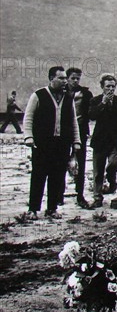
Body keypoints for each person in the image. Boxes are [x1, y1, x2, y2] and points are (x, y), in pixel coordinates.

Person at [23, 66, 81, 219]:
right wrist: (28, 137)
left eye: (64, 78)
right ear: (51, 78)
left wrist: (76, 141)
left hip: (61, 145)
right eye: (60, 78)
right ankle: (33, 209)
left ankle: (52, 209)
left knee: (57, 176)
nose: (64, 81)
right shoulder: (38, 95)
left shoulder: (68, 99)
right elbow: (28, 117)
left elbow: (74, 122)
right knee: (38, 176)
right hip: (42, 144)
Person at [89, 74, 117, 208]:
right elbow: (92, 116)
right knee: (98, 172)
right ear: (102, 87)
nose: (111, 89)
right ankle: (97, 197)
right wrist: (103, 103)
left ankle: (112, 181)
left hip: (115, 140)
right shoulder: (95, 100)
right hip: (100, 141)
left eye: (113, 86)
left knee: (113, 165)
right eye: (108, 86)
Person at [66, 68, 93, 209]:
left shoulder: (85, 93)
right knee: (60, 163)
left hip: (80, 131)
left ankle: (80, 195)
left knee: (81, 163)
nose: (76, 81)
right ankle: (58, 195)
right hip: (63, 132)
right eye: (73, 78)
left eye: (78, 78)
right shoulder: (61, 92)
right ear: (67, 78)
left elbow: (90, 112)